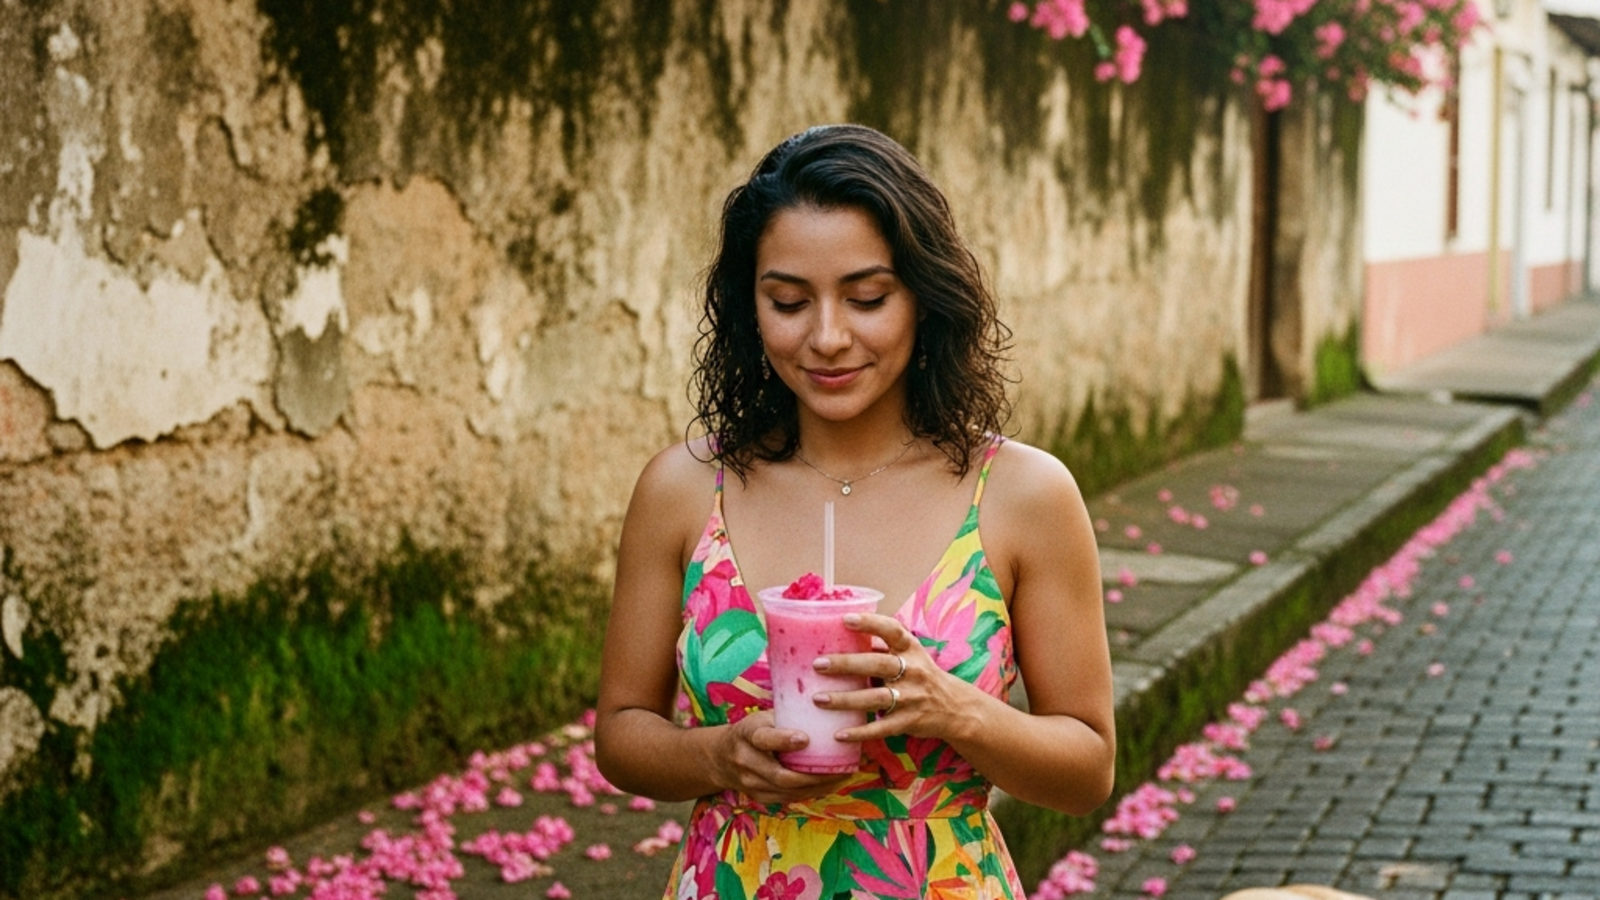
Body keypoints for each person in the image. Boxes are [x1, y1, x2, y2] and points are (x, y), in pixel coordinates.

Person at [595, 124, 1114, 900]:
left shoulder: (1022, 494)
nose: (828, 337)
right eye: (789, 301)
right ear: (751, 308)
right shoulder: (682, 487)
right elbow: (623, 732)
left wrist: (956, 710)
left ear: (922, 299)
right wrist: (718, 757)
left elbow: (1087, 770)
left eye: (867, 298)